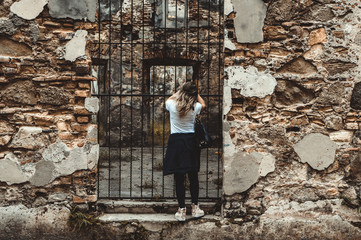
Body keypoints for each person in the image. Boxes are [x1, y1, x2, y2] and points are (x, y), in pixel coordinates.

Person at [163, 81, 206, 221]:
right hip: (190, 141)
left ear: (181, 92)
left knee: (179, 177)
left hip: (176, 142)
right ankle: (195, 208)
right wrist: (196, 94)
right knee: (193, 176)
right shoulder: (195, 107)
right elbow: (203, 104)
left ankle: (181, 210)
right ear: (193, 94)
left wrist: (180, 91)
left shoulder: (172, 105)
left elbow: (168, 99)